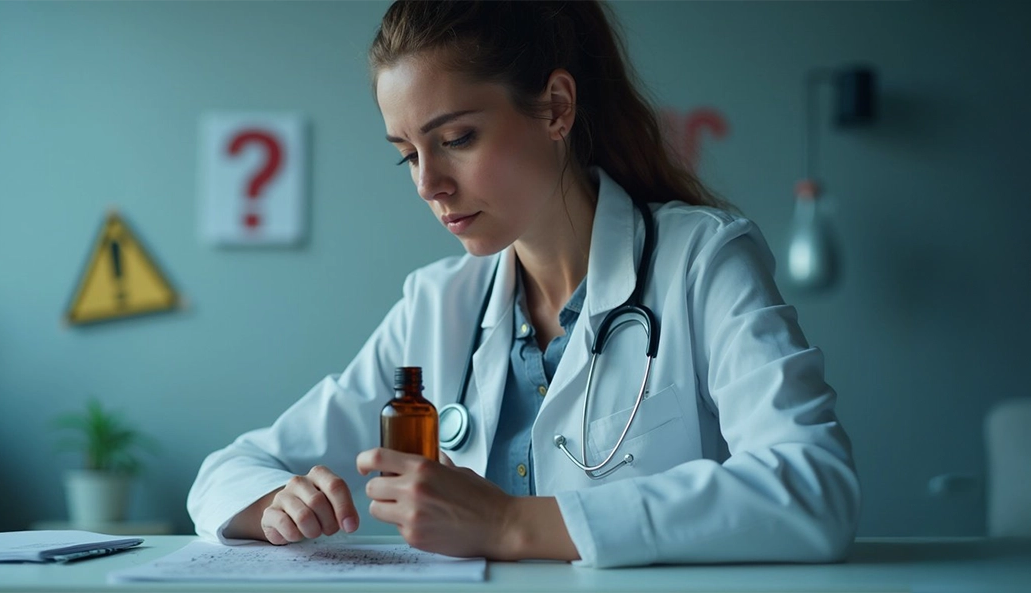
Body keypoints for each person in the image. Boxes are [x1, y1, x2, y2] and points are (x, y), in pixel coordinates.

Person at [188, 0, 860, 568]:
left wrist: (511, 523)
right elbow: (230, 468)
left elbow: (814, 488)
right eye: (407, 156)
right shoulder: (437, 303)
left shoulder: (702, 260)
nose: (429, 184)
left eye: (455, 137)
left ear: (556, 108)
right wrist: (275, 502)